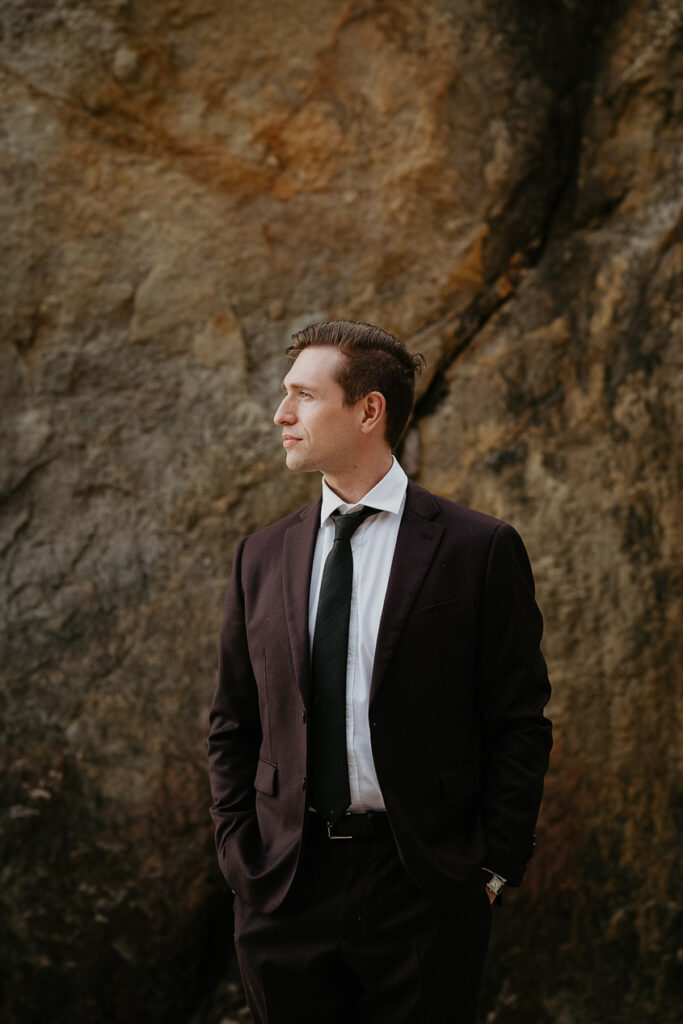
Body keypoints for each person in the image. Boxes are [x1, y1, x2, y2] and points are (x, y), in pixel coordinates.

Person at [207, 320, 552, 1024]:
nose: (281, 415)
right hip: (283, 885)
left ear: (368, 411)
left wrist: (489, 868)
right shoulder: (261, 557)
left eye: (303, 396)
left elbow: (518, 719)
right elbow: (232, 722)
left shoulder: (477, 549)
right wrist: (238, 853)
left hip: (424, 886)